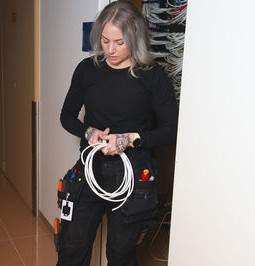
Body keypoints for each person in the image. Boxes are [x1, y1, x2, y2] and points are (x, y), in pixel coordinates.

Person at [58, 0, 178, 265]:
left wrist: (130, 139)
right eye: (104, 40)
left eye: (120, 42)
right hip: (90, 169)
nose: (110, 50)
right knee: (70, 250)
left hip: (132, 176)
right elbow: (66, 117)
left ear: (135, 39)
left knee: (120, 255)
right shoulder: (87, 70)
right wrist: (88, 131)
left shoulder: (152, 76)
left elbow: (172, 131)